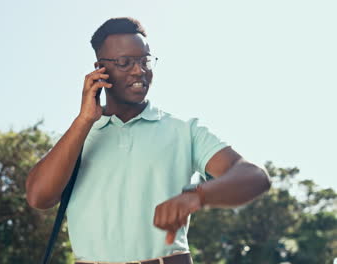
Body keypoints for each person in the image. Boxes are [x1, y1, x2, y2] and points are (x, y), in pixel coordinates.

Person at [26, 17, 271, 264]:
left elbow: (254, 177)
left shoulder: (184, 131)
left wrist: (198, 195)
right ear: (100, 69)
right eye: (125, 62)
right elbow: (38, 197)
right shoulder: (78, 138)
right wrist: (83, 121)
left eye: (145, 60)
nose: (139, 70)